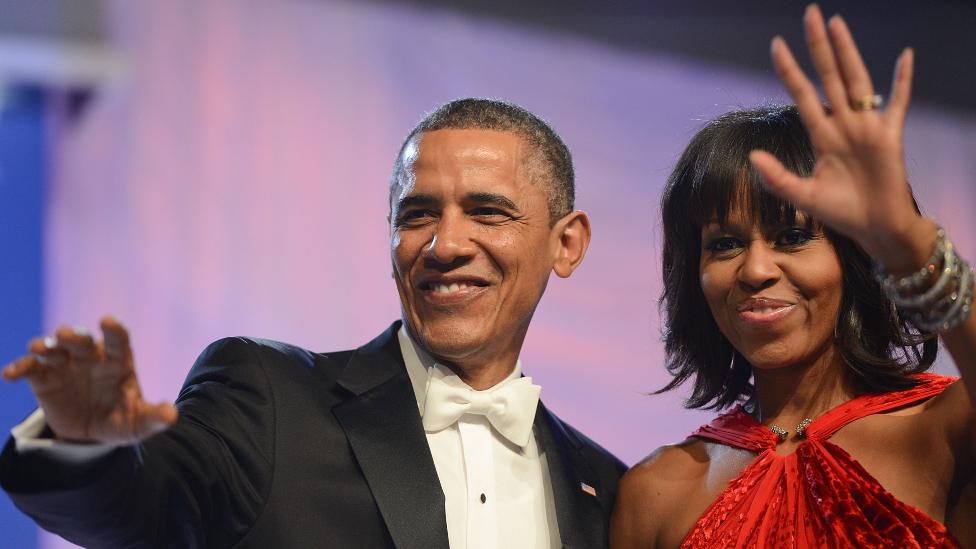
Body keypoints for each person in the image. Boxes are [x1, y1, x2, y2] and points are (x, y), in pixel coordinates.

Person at [0, 98, 626, 548]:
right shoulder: (268, 397)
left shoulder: (608, 489)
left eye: (488, 213)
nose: (443, 245)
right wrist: (82, 445)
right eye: (417, 215)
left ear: (565, 244)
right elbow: (148, 506)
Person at [611, 5, 975, 548]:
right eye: (726, 244)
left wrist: (910, 244)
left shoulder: (942, 433)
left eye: (793, 237)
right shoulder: (655, 490)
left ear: (855, 255)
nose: (756, 270)